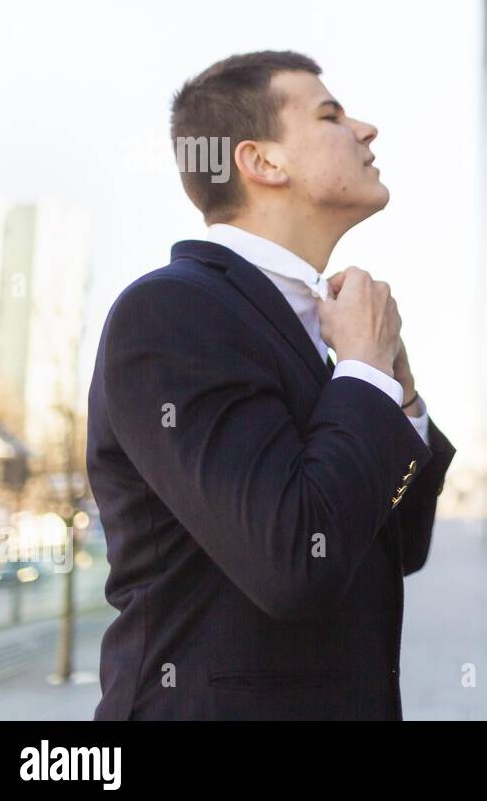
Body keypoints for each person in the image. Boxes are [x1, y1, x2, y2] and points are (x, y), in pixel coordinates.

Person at [86, 50, 455, 719]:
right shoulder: (171, 314)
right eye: (331, 114)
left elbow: (395, 548)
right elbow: (295, 563)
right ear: (262, 162)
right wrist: (365, 373)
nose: (366, 129)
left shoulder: (327, 328)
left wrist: (395, 394)